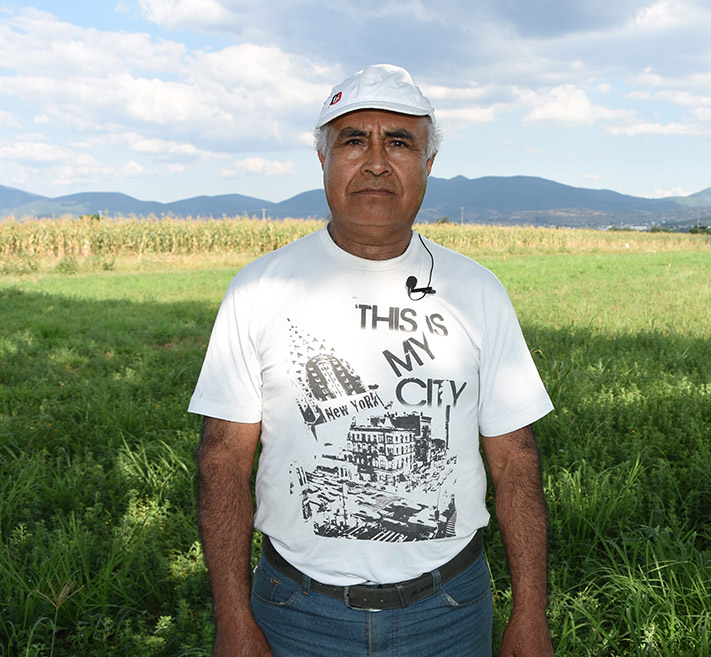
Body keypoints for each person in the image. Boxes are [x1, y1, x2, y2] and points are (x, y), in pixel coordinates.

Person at [190, 64, 555, 657]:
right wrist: (233, 619)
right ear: (325, 160)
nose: (377, 161)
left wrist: (530, 616)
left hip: (449, 615)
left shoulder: (477, 291)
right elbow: (223, 460)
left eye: (400, 142)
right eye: (354, 140)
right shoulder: (259, 290)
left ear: (428, 165)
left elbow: (516, 462)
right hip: (296, 614)